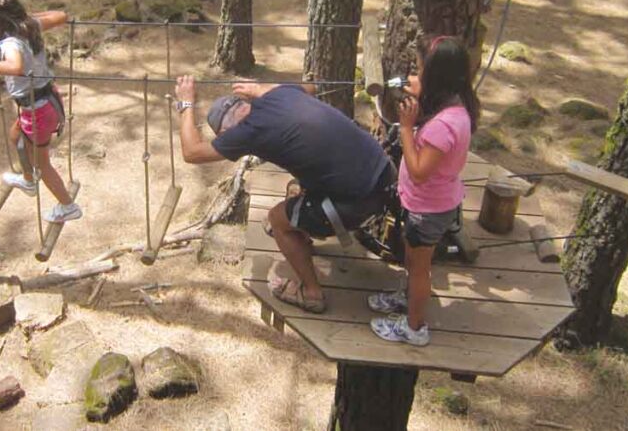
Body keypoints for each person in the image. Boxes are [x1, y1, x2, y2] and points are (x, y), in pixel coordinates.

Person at [173, 75, 393, 313]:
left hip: (361, 200)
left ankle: (311, 293)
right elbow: (310, 86)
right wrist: (261, 87)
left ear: (227, 131)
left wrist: (186, 103)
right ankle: (304, 233)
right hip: (384, 171)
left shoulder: (247, 132)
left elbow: (192, 153)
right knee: (295, 187)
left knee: (277, 220)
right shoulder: (277, 95)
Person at [368, 35, 479, 347]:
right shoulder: (454, 105)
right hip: (424, 204)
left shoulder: (446, 125)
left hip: (428, 209)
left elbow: (418, 172)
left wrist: (405, 127)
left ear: (438, 77)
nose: (415, 77)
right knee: (412, 259)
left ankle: (414, 328)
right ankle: (407, 298)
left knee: (420, 269)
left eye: (420, 71)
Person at [0, 0, 81, 224]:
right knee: (15, 135)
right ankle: (28, 180)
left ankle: (68, 206)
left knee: (42, 163)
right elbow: (61, 16)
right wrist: (25, 18)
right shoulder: (30, 27)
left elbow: (15, 66)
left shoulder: (10, 41)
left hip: (37, 109)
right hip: (46, 101)